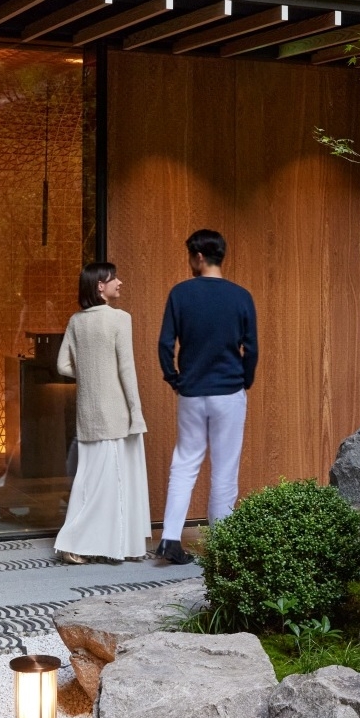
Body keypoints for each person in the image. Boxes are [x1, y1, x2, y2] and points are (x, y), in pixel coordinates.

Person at [155, 229, 258, 565]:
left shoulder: (180, 294)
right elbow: (251, 348)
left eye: (189, 256)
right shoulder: (241, 296)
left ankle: (170, 538)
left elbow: (166, 344)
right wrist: (245, 380)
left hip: (192, 393)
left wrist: (174, 378)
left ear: (199, 257)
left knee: (184, 463)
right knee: (225, 470)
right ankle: (222, 545)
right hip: (229, 392)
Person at [54, 262, 150, 565]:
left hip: (88, 414)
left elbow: (62, 366)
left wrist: (91, 374)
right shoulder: (120, 319)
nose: (119, 282)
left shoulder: (76, 321)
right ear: (100, 286)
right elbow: (126, 370)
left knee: (91, 482)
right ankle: (77, 542)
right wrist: (136, 412)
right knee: (119, 482)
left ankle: (106, 545)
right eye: (113, 279)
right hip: (117, 413)